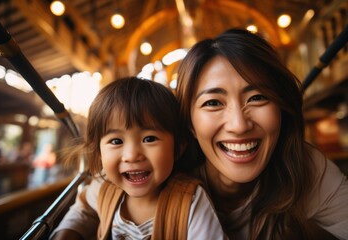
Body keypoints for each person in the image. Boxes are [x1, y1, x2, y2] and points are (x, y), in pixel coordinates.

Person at [175, 28, 348, 239]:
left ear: (281, 109)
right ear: (189, 123)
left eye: (257, 97)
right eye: (213, 103)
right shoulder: (162, 182)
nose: (239, 125)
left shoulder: (305, 169)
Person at [50, 77, 227, 239]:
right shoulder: (103, 186)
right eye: (116, 141)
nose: (132, 155)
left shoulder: (190, 200)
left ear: (178, 148)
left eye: (149, 139)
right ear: (99, 151)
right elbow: (83, 211)